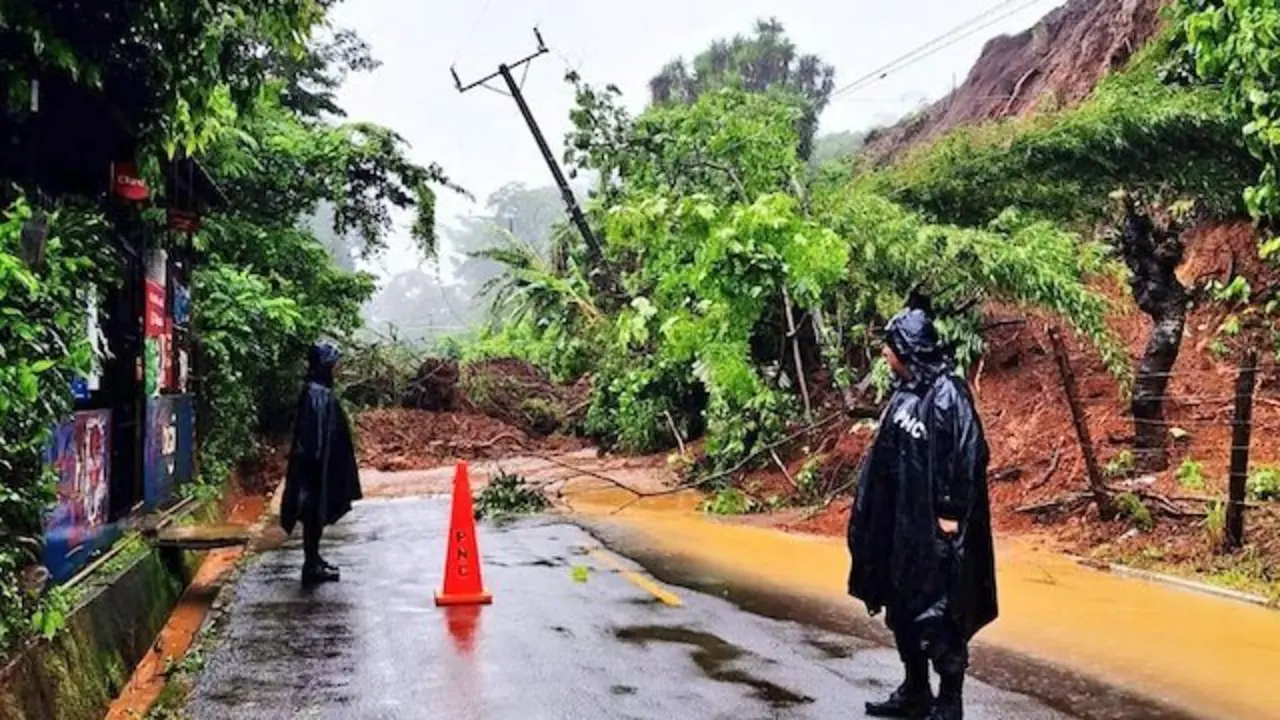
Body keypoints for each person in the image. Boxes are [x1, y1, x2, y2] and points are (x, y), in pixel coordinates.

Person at [847, 304, 997, 720]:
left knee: (941, 616)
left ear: (907, 349)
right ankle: (915, 691)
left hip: (936, 534)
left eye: (888, 348)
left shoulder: (948, 394)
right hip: (901, 530)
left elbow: (968, 455)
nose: (883, 355)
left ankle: (949, 703)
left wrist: (949, 513)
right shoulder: (905, 393)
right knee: (902, 610)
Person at [281, 341, 363, 585]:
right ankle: (311, 564)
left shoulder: (319, 390)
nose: (337, 367)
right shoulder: (316, 393)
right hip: (315, 469)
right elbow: (313, 437)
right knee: (313, 514)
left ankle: (314, 559)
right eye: (334, 362)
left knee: (316, 515)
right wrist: (315, 468)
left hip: (319, 466)